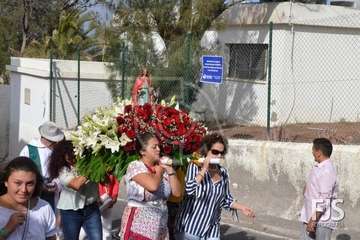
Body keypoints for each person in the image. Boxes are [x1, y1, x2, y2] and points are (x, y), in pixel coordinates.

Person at [175, 133, 255, 240]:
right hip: (190, 228)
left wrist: (242, 208)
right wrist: (204, 168)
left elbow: (225, 199)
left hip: (211, 229)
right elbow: (189, 190)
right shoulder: (195, 167)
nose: (218, 156)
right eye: (215, 152)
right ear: (206, 151)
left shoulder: (223, 172)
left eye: (221, 153)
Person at [119, 132, 181, 240]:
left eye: (159, 146)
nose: (158, 149)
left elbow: (177, 193)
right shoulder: (135, 166)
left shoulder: (161, 168)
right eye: (154, 147)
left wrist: (170, 170)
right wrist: (159, 173)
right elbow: (152, 186)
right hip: (139, 225)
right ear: (142, 151)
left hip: (160, 226)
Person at [48, 140, 102, 240]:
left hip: (91, 209)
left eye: (74, 153)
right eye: (68, 155)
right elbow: (76, 184)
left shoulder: (87, 162)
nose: (73, 157)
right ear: (62, 156)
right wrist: (93, 166)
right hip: (70, 212)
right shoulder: (62, 170)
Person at [0, 157, 56, 240]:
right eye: (17, 183)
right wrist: (7, 229)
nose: (24, 190)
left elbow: (51, 237)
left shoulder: (44, 208)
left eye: (30, 184)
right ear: (6, 182)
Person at [19, 121, 64, 211]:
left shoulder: (56, 151)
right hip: (34, 189)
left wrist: (56, 183)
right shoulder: (29, 149)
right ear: (45, 138)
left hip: (51, 189)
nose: (55, 143)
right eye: (52, 141)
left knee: (49, 214)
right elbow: (21, 170)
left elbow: (61, 169)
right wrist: (38, 184)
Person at [300, 138, 338, 240]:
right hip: (310, 216)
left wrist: (313, 220)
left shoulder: (327, 170)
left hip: (321, 220)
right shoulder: (319, 167)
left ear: (318, 152)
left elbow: (324, 199)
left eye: (313, 149)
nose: (312, 152)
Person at [98, 173, 119, 240]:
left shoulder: (113, 170)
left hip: (108, 199)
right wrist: (98, 197)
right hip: (96, 199)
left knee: (107, 225)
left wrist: (114, 195)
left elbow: (116, 183)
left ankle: (107, 237)